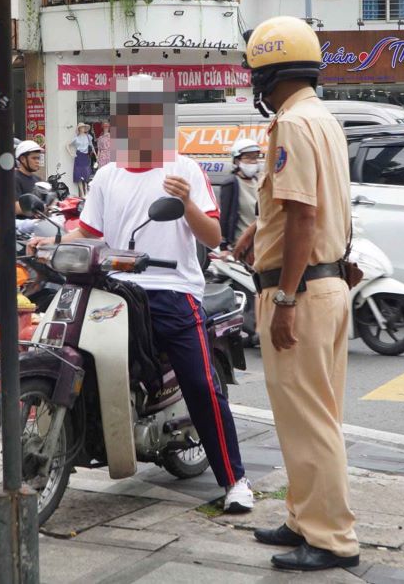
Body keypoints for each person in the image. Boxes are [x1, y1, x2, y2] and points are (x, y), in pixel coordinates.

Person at [31, 74, 254, 514]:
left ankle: (235, 480)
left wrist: (188, 202)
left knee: (200, 383)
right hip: (113, 288)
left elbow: (210, 235)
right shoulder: (107, 176)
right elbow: (87, 232)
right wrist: (52, 243)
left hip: (171, 289)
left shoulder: (183, 169)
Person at [233, 15, 360, 572]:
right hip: (326, 284)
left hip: (301, 293)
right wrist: (254, 233)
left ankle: (332, 539)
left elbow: (305, 216)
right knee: (312, 415)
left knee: (309, 419)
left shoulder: (291, 124)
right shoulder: (322, 117)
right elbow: (302, 207)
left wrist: (283, 301)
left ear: (269, 74)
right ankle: (305, 517)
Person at [217, 138, 263, 250]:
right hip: (240, 244)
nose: (252, 161)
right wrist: (224, 246)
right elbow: (225, 216)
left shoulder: (258, 182)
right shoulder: (231, 183)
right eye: (247, 157)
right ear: (237, 161)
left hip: (259, 242)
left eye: (255, 158)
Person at [15, 139, 45, 218]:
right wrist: (42, 207)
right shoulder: (13, 179)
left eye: (38, 158)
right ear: (22, 159)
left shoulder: (38, 180)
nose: (37, 161)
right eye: (34, 158)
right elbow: (16, 207)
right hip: (22, 228)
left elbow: (47, 202)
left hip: (40, 225)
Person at [70, 122, 96, 197]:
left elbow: (92, 146)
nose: (83, 128)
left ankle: (86, 192)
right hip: (79, 156)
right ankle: (82, 194)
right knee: (79, 175)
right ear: (79, 129)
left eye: (84, 127)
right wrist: (72, 154)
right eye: (81, 127)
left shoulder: (88, 137)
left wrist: (95, 154)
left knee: (86, 174)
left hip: (86, 157)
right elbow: (67, 145)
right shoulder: (76, 138)